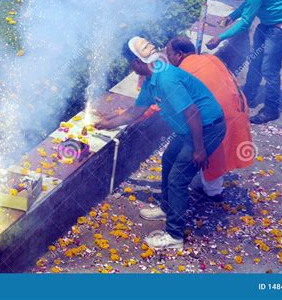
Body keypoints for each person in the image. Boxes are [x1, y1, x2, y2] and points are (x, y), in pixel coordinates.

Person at [96, 37, 225, 249]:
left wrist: (200, 149)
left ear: (138, 62)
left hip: (206, 128)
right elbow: (134, 113)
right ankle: (167, 207)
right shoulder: (151, 81)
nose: (130, 66)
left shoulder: (165, 80)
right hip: (189, 131)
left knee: (177, 179)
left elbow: (192, 113)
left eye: (130, 62)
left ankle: (174, 236)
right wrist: (106, 123)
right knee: (168, 160)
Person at [166, 36, 254, 201]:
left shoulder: (183, 72)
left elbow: (163, 99)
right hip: (238, 106)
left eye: (169, 55)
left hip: (220, 117)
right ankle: (212, 186)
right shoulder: (210, 58)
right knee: (220, 152)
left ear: (179, 55)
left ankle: (212, 193)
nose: (168, 60)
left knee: (212, 154)